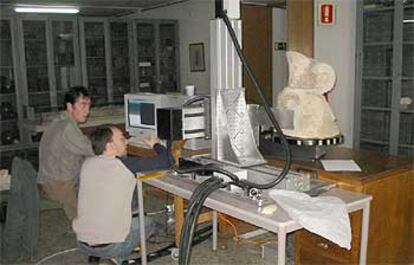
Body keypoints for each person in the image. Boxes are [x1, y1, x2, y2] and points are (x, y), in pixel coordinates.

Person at [73, 125, 171, 264]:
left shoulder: (87, 163)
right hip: (110, 247)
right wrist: (156, 144)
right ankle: (118, 257)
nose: (127, 142)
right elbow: (167, 161)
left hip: (82, 242)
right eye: (122, 139)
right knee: (149, 224)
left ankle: (103, 252)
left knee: (127, 185)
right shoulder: (125, 165)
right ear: (110, 145)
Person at [38, 86, 94, 220]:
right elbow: (91, 149)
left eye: (88, 106)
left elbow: (81, 147)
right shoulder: (68, 127)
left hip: (49, 180)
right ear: (70, 106)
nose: (87, 111)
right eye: (83, 105)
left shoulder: (60, 121)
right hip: (59, 184)